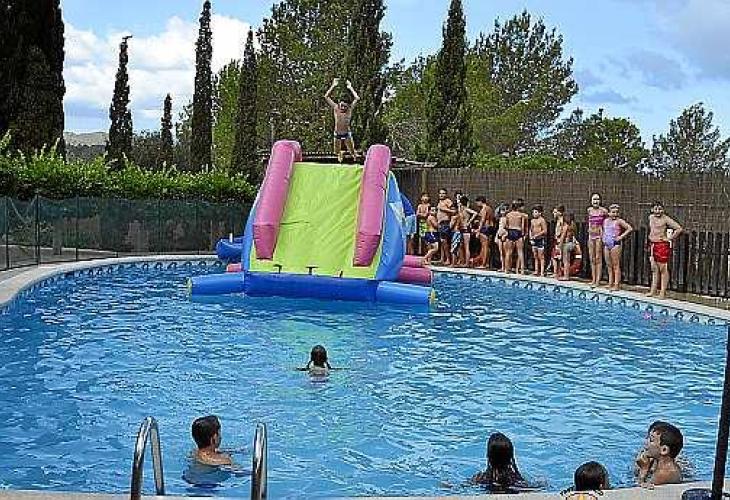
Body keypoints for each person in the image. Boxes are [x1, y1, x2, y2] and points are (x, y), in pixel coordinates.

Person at [647, 201, 683, 299]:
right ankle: (653, 290)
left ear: (663, 210)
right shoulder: (651, 217)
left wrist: (669, 238)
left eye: (660, 209)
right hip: (652, 244)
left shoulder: (665, 219)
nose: (658, 211)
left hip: (661, 245)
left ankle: (662, 292)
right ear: (652, 210)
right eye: (656, 209)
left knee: (663, 269)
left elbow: (679, 228)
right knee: (654, 269)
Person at [636, 421, 684, 487]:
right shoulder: (664, 464)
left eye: (651, 440)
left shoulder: (663, 474)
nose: (646, 443)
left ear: (664, 450)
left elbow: (640, 487)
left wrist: (643, 470)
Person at [324, 78, 360, 163]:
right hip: (337, 134)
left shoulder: (349, 109)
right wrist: (333, 85)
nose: (343, 108)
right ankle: (341, 153)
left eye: (345, 106)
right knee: (336, 152)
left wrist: (350, 87)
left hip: (347, 134)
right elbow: (326, 96)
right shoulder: (336, 108)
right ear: (339, 104)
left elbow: (357, 98)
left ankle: (355, 157)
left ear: (348, 106)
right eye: (342, 106)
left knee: (352, 152)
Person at [602, 204, 633, 291]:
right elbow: (604, 230)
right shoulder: (605, 221)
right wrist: (603, 237)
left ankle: (616, 285)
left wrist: (621, 237)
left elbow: (629, 228)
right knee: (609, 265)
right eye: (613, 212)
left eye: (616, 212)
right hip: (606, 244)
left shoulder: (619, 221)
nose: (615, 214)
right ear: (609, 213)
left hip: (615, 244)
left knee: (616, 265)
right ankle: (610, 283)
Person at [587, 193, 609, 288]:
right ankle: (593, 279)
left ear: (600, 201)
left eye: (597, 199)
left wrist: (605, 233)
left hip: (599, 236)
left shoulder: (603, 211)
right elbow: (589, 222)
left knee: (598, 258)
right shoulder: (589, 210)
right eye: (594, 199)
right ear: (591, 201)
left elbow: (608, 222)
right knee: (592, 258)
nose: (595, 201)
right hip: (591, 236)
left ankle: (597, 281)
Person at [504, 200, 529, 274]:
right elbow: (522, 227)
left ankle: (506, 269)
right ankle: (522, 270)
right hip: (518, 232)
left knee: (508, 252)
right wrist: (523, 235)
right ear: (518, 207)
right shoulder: (522, 215)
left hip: (510, 231)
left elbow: (506, 225)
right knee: (520, 252)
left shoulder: (508, 215)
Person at [455, 195, 478, 267]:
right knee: (461, 246)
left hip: (466, 229)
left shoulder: (465, 209)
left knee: (466, 246)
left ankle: (467, 263)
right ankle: (463, 261)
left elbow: (475, 213)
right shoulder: (461, 209)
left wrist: (469, 222)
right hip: (462, 229)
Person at [475, 197, 496, 269]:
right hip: (491, 227)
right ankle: (486, 263)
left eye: (477, 202)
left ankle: (483, 264)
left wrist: (478, 230)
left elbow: (483, 220)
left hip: (485, 228)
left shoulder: (484, 209)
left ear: (480, 201)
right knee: (487, 247)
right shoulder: (489, 208)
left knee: (484, 247)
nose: (477, 204)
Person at [437, 189, 456, 266]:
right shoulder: (440, 202)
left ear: (446, 194)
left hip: (445, 223)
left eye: (443, 193)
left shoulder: (448, 201)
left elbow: (454, 211)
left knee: (444, 241)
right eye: (440, 193)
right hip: (440, 224)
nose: (441, 195)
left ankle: (448, 259)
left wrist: (443, 209)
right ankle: (442, 258)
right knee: (442, 242)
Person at [558, 213, 579, 281]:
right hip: (571, 244)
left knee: (565, 261)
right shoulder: (573, 226)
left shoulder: (566, 226)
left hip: (566, 244)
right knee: (568, 261)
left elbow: (563, 236)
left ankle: (566, 276)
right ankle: (566, 275)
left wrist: (559, 246)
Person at [529, 205, 548, 277]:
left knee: (541, 256)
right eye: (533, 212)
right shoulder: (532, 221)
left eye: (535, 212)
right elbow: (530, 230)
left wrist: (537, 235)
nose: (534, 214)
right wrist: (531, 238)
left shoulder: (542, 220)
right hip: (534, 240)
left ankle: (542, 271)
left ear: (540, 213)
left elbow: (545, 231)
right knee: (535, 256)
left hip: (540, 239)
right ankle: (536, 270)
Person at [551, 206, 565, 277]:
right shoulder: (559, 220)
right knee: (555, 256)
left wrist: (559, 238)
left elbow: (562, 231)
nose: (553, 213)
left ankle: (557, 273)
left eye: (555, 212)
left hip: (559, 241)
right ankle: (556, 272)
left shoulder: (561, 221)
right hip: (557, 240)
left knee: (557, 257)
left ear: (560, 213)